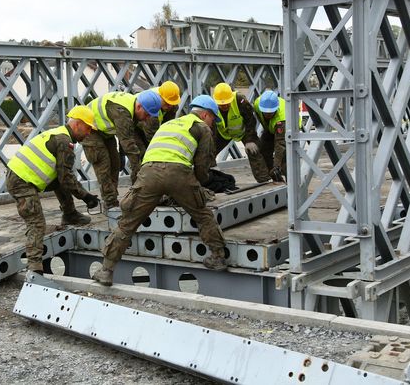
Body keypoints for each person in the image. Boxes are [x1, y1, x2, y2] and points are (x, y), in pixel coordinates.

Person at [92, 95, 229, 286]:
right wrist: (203, 185)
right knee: (202, 215)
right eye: (213, 118)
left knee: (127, 223)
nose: (213, 123)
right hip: (179, 173)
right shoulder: (202, 127)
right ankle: (217, 256)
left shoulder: (168, 125)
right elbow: (201, 165)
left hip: (148, 173)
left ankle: (106, 271)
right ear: (205, 115)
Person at [5, 106, 100, 273]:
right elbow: (67, 177)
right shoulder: (64, 142)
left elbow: (61, 178)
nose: (89, 133)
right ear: (77, 124)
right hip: (21, 181)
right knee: (37, 222)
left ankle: (70, 214)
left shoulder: (58, 133)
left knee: (59, 181)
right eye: (88, 128)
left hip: (19, 175)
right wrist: (86, 197)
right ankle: (34, 265)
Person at [82, 90, 162, 209]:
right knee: (104, 165)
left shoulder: (133, 108)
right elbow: (128, 143)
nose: (147, 118)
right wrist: (138, 170)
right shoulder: (122, 112)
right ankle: (110, 202)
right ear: (139, 107)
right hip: (87, 128)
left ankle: (112, 198)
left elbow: (126, 135)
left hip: (103, 131)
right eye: (147, 114)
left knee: (115, 162)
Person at [212, 82, 271, 183]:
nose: (225, 105)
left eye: (227, 102)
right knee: (209, 153)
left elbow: (250, 119)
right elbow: (210, 125)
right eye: (222, 104)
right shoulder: (212, 105)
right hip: (223, 134)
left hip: (243, 131)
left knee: (254, 150)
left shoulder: (240, 100)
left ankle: (264, 179)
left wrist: (250, 139)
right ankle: (209, 178)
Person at [253, 90, 286, 183]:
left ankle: (291, 186)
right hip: (270, 128)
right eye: (265, 112)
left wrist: (277, 166)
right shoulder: (257, 104)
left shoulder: (282, 116)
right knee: (263, 150)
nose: (267, 115)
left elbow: (280, 144)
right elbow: (259, 117)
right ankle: (276, 178)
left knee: (284, 158)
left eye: (270, 113)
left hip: (287, 130)